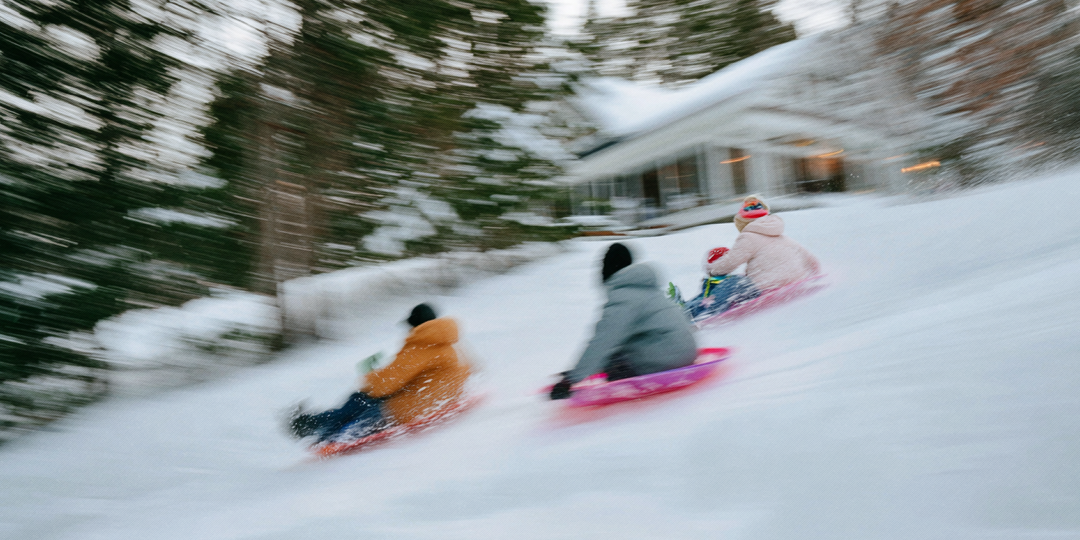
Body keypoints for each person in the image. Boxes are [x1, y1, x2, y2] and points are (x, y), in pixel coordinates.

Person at [289, 303, 472, 442]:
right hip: (440, 399)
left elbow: (385, 384)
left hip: (410, 409)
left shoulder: (422, 345)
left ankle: (326, 433)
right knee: (366, 399)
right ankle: (316, 425)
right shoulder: (450, 343)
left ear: (417, 325)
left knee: (361, 399)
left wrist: (369, 374)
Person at [550, 243, 698, 400]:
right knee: (618, 351)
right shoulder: (647, 288)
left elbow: (603, 340)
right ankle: (586, 368)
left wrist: (570, 380)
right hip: (687, 352)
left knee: (613, 363)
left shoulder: (623, 296)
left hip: (667, 360)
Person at [672, 194, 821, 320]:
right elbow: (812, 261)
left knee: (729, 284)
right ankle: (690, 306)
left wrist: (712, 270)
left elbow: (730, 262)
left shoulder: (749, 237)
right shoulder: (784, 237)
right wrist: (813, 277)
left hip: (765, 287)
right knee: (736, 282)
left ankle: (697, 313)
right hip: (792, 281)